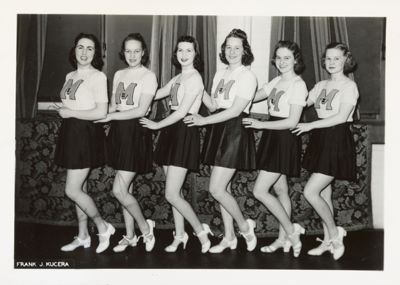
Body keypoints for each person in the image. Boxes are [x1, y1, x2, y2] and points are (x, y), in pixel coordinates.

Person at [184, 29, 257, 253]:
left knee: (216, 189)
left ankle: (245, 227)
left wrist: (203, 121)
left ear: (244, 51)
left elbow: (235, 110)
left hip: (234, 130)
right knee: (223, 188)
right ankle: (229, 237)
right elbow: (215, 106)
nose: (232, 51)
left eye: (237, 47)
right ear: (223, 50)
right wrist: (198, 88)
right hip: (219, 128)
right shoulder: (219, 74)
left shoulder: (247, 76)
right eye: (228, 47)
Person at [140, 35, 212, 253]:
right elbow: (155, 94)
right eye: (180, 50)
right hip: (171, 132)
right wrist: (138, 86)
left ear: (196, 54)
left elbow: (181, 112)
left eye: (188, 50)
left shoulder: (195, 78)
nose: (183, 54)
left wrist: (155, 125)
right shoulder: (178, 78)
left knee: (171, 193)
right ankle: (180, 235)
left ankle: (200, 232)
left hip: (182, 131)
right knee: (175, 192)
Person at [292, 42, 359, 260]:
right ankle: (329, 239)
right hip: (320, 139)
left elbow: (341, 117)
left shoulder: (349, 86)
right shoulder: (320, 85)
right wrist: (289, 83)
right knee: (323, 192)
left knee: (311, 192)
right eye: (328, 58)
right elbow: (300, 102)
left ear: (346, 60)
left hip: (337, 138)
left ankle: (334, 233)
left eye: (336, 58)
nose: (331, 63)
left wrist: (309, 126)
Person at [242, 40, 307, 257]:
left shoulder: (298, 85)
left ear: (295, 60)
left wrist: (260, 124)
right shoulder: (277, 81)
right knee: (280, 190)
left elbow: (292, 121)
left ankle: (291, 231)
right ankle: (282, 239)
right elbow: (252, 96)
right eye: (278, 57)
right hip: (273, 137)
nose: (282, 61)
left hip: (284, 139)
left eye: (287, 57)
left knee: (259, 190)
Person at [95, 33, 157, 252]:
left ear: (143, 52)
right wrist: (95, 114)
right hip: (119, 131)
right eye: (128, 51)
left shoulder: (149, 76)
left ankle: (146, 229)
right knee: (126, 188)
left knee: (119, 190)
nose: (132, 55)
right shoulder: (119, 73)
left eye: (136, 51)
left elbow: (140, 110)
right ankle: (130, 236)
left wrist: (111, 116)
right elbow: (113, 106)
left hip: (135, 132)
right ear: (124, 52)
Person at [55, 33, 115, 254]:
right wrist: (65, 110)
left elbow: (101, 111)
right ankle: (83, 236)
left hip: (85, 134)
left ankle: (102, 226)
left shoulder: (98, 77)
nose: (84, 52)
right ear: (74, 50)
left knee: (72, 189)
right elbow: (77, 103)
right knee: (80, 187)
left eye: (90, 48)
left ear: (96, 53)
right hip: (71, 131)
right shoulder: (70, 74)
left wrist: (70, 112)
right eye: (81, 47)